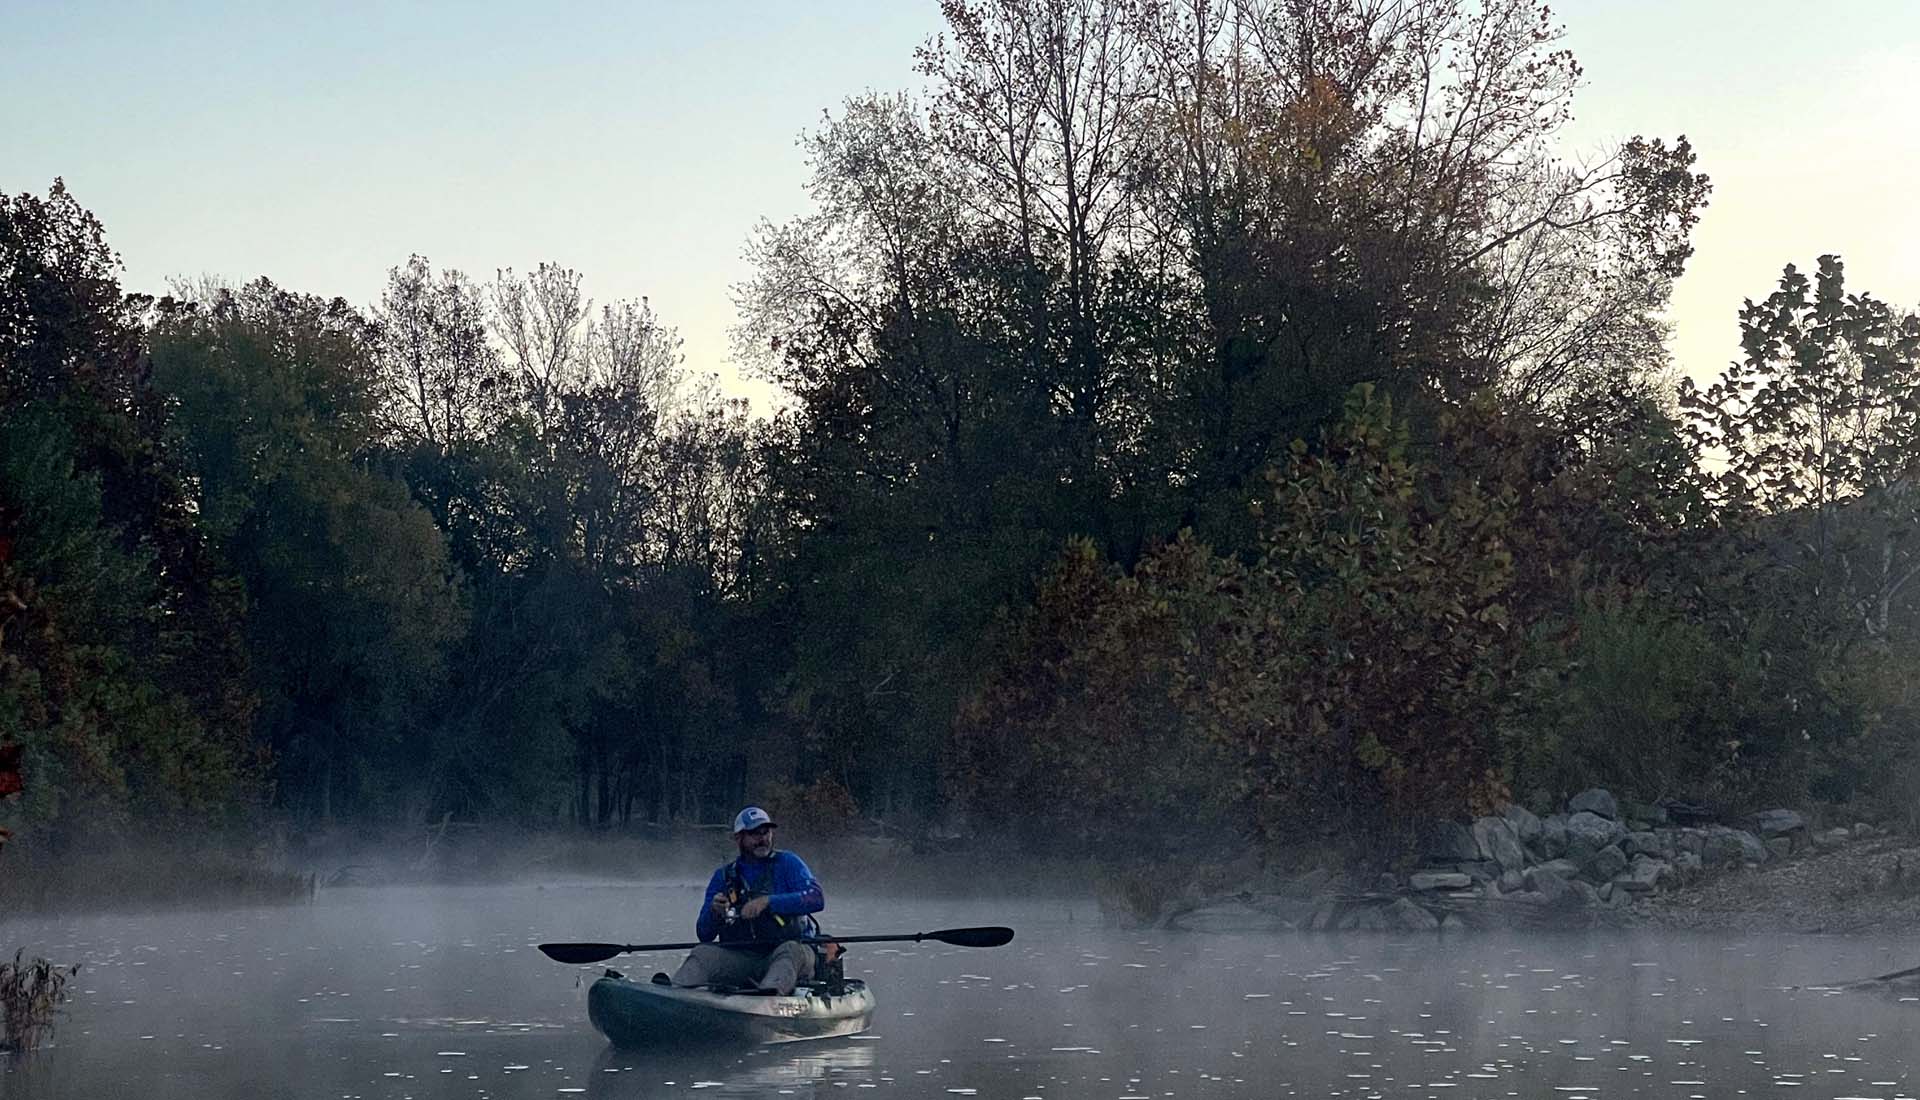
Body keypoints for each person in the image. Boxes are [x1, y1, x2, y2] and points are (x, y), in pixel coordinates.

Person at [665, 806, 825, 995]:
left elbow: (816, 898)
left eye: (766, 832)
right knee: (702, 952)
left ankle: (768, 997)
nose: (762, 839)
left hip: (789, 954)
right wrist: (714, 912)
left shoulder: (789, 863)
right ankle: (673, 994)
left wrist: (768, 902)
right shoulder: (723, 877)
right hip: (742, 958)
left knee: (790, 950)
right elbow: (704, 934)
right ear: (738, 838)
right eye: (754, 834)